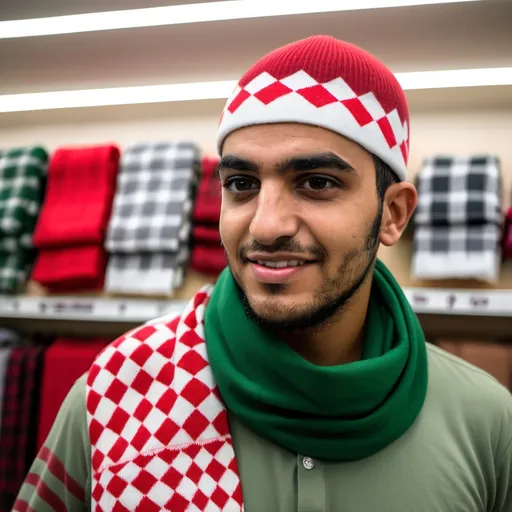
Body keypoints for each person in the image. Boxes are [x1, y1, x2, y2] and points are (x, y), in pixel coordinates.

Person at [15, 35, 512, 512]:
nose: (266, 224)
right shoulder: (114, 396)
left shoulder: (486, 422)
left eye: (317, 183)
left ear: (393, 215)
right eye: (242, 183)